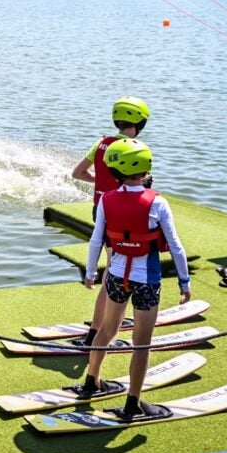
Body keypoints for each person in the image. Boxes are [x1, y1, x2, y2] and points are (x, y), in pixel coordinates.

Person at [77, 138, 192, 422]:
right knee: (142, 343)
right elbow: (176, 246)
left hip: (116, 276)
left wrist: (91, 272)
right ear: (146, 168)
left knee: (106, 330)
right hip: (147, 281)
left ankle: (92, 382)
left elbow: (96, 240)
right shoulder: (158, 203)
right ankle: (133, 404)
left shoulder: (106, 199)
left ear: (115, 171)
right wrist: (184, 282)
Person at [70, 96, 150, 347]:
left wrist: (101, 182)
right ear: (140, 122)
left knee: (114, 269)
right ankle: (95, 334)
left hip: (100, 210)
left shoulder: (101, 143)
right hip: (122, 216)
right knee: (114, 274)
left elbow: (77, 173)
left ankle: (110, 318)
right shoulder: (135, 149)